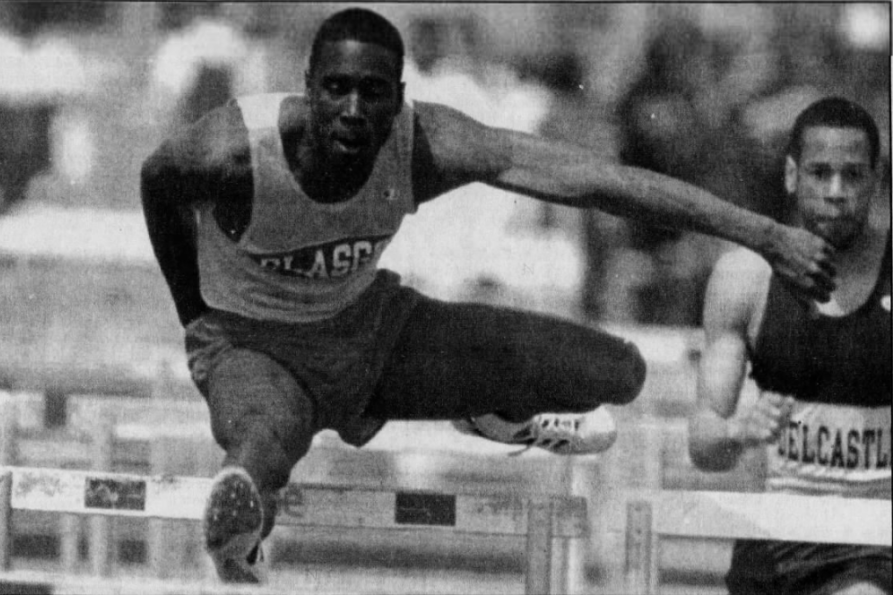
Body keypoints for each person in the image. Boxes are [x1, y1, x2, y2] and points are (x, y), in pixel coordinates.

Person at [140, 8, 836, 583]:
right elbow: (155, 180)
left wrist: (765, 234)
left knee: (614, 373)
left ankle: (493, 412)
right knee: (263, 438)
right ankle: (237, 543)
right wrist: (198, 321)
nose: (354, 112)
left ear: (400, 97)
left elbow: (597, 180)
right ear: (309, 88)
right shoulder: (235, 151)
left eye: (374, 92)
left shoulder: (425, 146)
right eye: (337, 89)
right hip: (256, 349)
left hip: (370, 331)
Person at [689, 97, 890, 595]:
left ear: (876, 180)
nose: (836, 192)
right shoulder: (745, 278)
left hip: (873, 549)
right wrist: (738, 430)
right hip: (774, 549)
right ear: (791, 175)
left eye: (852, 175)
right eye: (820, 173)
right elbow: (703, 444)